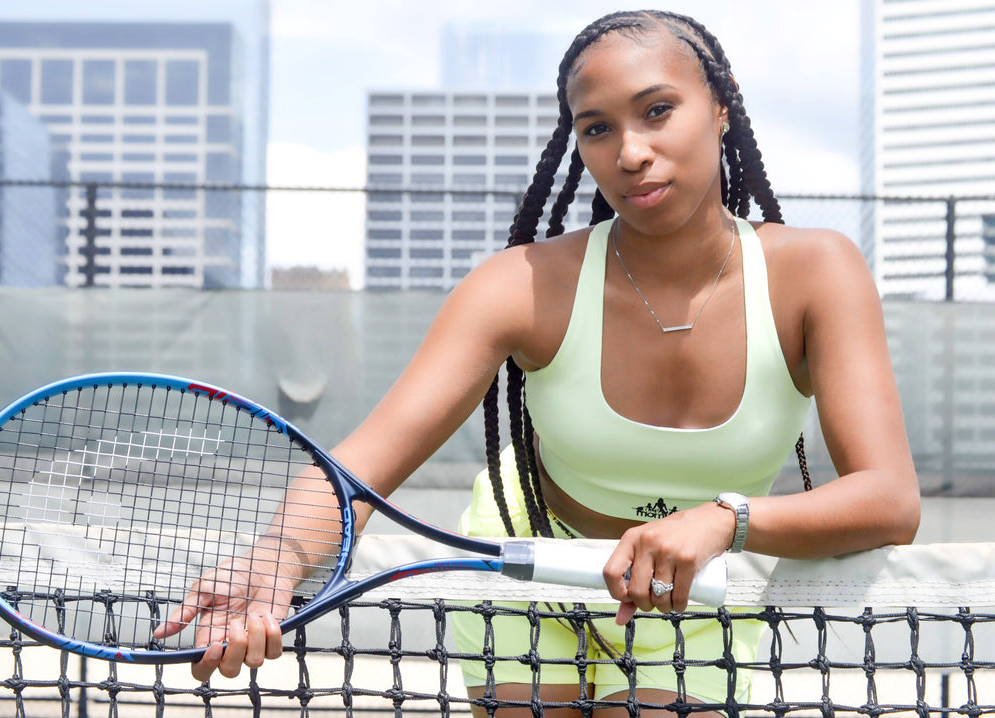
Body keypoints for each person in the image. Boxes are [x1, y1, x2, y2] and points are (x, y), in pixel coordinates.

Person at [157, 9, 920, 715]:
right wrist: (274, 560)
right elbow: (361, 465)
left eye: (658, 110)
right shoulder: (517, 283)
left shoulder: (819, 270)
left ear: (721, 105)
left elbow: (889, 499)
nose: (630, 153)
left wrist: (728, 520)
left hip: (697, 590)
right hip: (525, 565)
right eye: (596, 128)